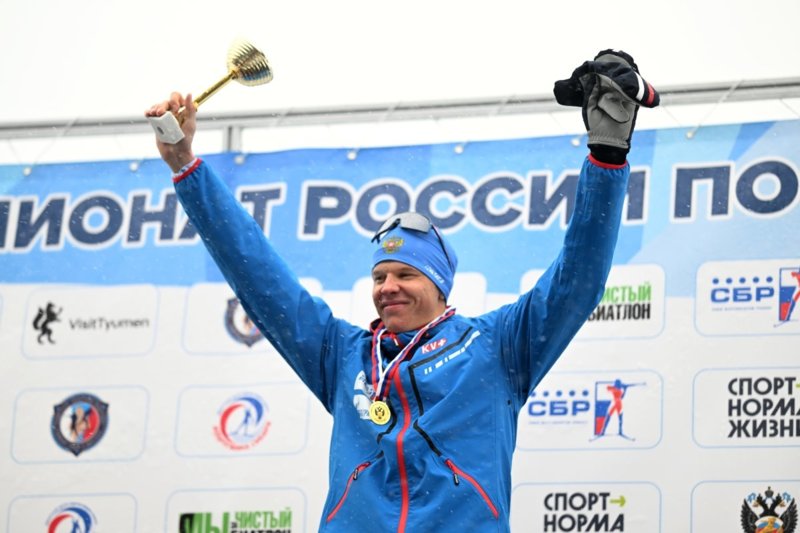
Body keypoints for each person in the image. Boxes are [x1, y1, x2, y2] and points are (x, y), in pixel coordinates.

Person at [146, 49, 659, 532]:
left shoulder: (497, 347)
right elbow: (258, 276)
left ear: (439, 284)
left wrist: (606, 156)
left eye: (405, 274)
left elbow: (577, 279)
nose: (387, 288)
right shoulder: (342, 355)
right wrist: (186, 167)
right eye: (379, 277)